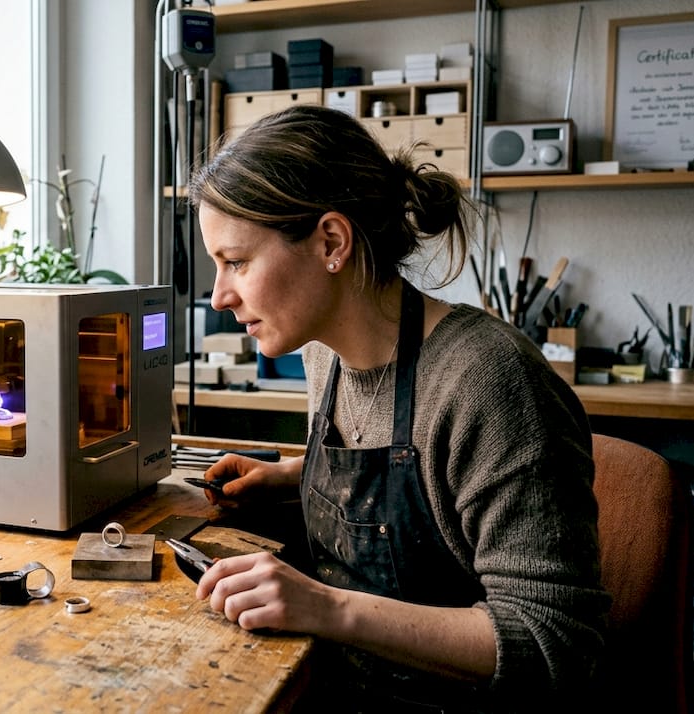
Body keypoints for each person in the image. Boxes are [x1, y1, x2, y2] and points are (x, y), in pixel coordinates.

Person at [185, 105, 609, 712]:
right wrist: (290, 477)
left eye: (236, 262)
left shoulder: (489, 381)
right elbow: (408, 474)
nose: (220, 296)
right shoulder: (325, 355)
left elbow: (554, 642)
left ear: (331, 242)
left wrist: (325, 608)